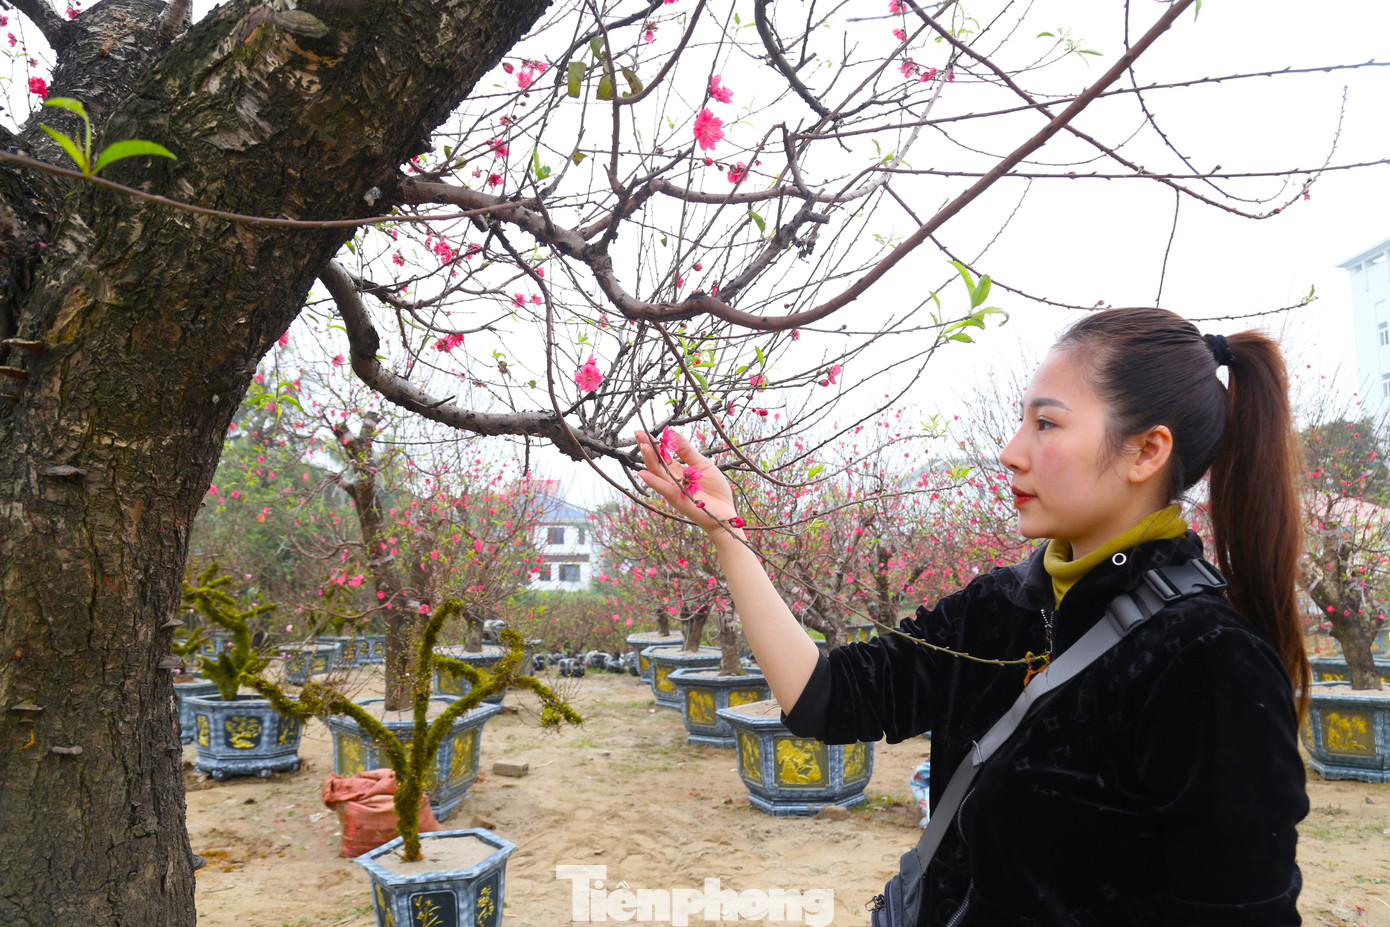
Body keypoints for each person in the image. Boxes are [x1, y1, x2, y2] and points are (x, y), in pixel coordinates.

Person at [635, 306, 1309, 926]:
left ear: (1147, 451)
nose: (1011, 451)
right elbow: (825, 696)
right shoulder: (1005, 607)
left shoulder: (1207, 659)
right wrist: (726, 532)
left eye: (1046, 424)